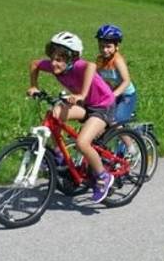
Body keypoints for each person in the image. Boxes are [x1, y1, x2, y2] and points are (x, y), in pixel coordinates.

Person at [28, 31, 117, 202]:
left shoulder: (78, 65)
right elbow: (34, 64)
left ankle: (103, 177)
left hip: (103, 106)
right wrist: (34, 86)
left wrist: (82, 94)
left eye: (60, 59)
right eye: (53, 58)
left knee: (82, 142)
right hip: (84, 105)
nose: (54, 63)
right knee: (54, 114)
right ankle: (59, 157)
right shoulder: (56, 66)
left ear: (71, 59)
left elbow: (91, 66)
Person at [94, 24, 137, 124]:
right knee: (99, 118)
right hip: (111, 95)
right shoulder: (100, 60)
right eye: (102, 46)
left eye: (108, 47)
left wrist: (113, 95)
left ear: (116, 46)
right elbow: (97, 79)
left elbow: (126, 81)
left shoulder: (117, 60)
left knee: (115, 122)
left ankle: (131, 139)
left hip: (126, 95)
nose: (105, 50)